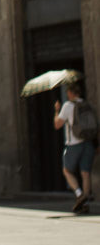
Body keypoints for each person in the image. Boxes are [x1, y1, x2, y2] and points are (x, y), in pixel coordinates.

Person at [55, 81, 96, 214]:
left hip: (74, 144)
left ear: (70, 93)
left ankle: (79, 194)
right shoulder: (87, 104)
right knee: (85, 173)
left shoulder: (68, 105)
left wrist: (56, 110)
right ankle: (86, 203)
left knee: (67, 170)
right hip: (88, 142)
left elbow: (57, 124)